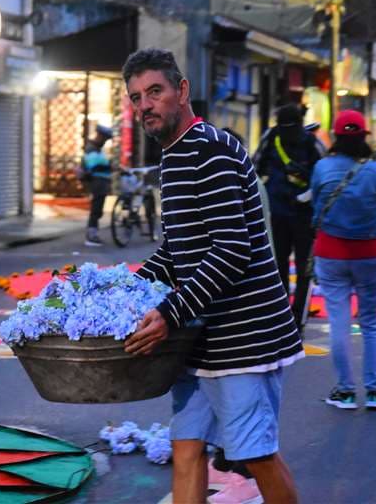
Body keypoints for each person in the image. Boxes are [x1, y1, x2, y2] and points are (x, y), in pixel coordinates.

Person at [121, 48, 302, 504]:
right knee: (186, 451)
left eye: (155, 91)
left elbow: (231, 249)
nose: (144, 105)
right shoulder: (173, 157)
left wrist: (168, 311)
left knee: (256, 455)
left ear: (182, 91)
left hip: (243, 338)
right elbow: (179, 248)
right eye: (136, 97)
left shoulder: (210, 150)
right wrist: (127, 290)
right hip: (199, 336)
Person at [310, 110, 376, 410]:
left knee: (339, 322)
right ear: (364, 137)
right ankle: (374, 391)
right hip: (371, 254)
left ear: (336, 137)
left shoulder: (322, 167)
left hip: (331, 254)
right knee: (372, 323)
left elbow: (315, 212)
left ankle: (345, 391)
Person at [254, 104, 323, 334]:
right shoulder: (312, 141)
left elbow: (254, 166)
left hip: (280, 213)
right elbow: (326, 173)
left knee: (279, 265)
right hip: (303, 214)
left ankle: (283, 317)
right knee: (303, 269)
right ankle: (297, 320)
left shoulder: (272, 136)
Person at [82, 124, 113, 246]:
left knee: (98, 209)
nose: (105, 141)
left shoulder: (97, 149)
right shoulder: (91, 149)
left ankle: (93, 233)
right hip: (97, 182)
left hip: (101, 182)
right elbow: (94, 167)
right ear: (99, 136)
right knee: (96, 209)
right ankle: (91, 236)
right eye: (104, 138)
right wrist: (110, 166)